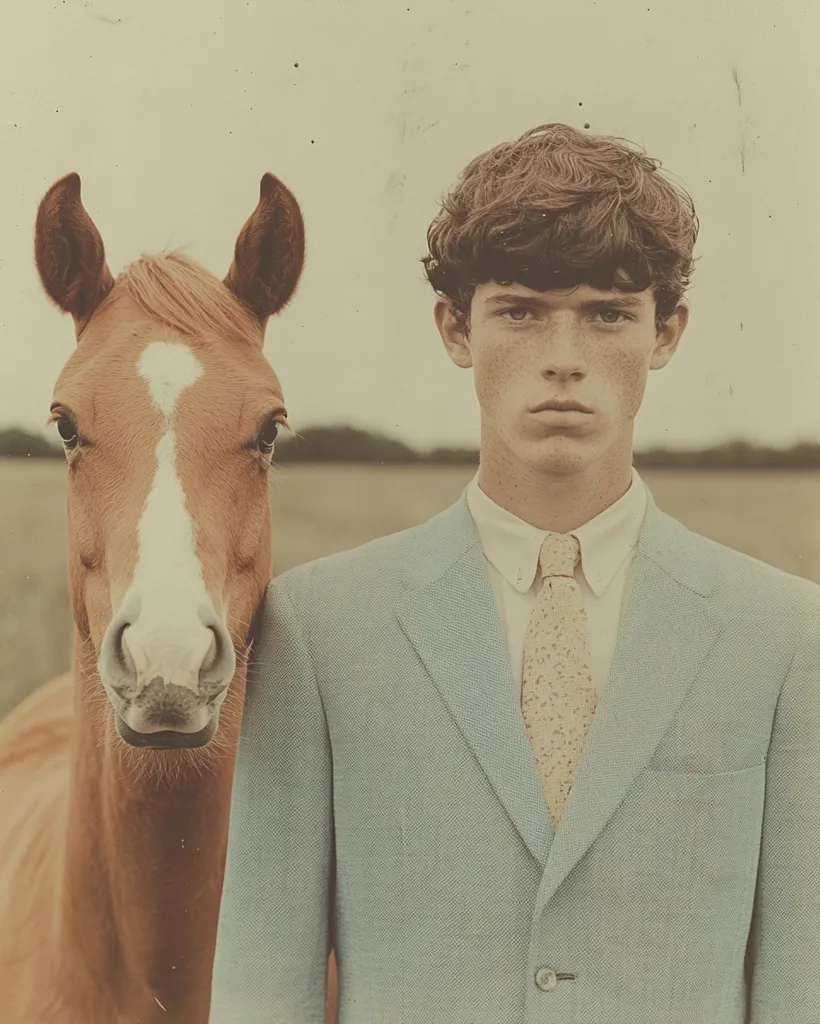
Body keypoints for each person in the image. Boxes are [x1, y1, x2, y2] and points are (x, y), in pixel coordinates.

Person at [209, 123, 820, 1024]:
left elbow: (802, 984)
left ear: (667, 332)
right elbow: (264, 984)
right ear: (456, 328)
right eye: (521, 310)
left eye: (609, 313)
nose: (564, 356)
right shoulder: (320, 629)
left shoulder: (786, 634)